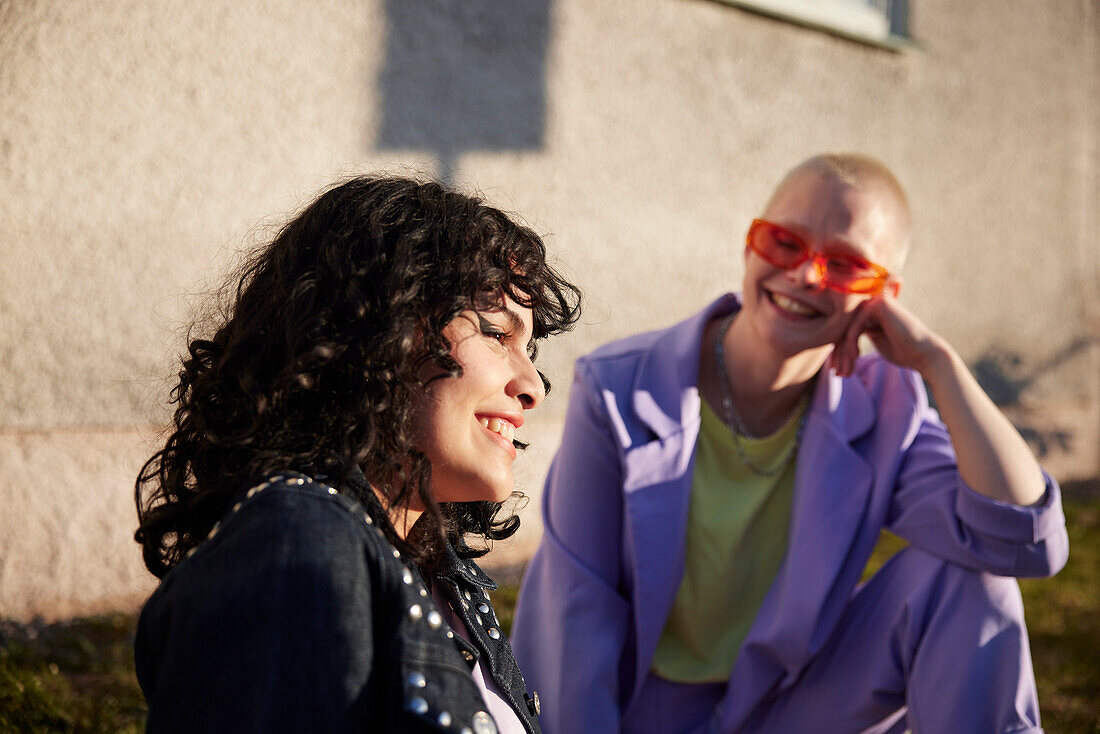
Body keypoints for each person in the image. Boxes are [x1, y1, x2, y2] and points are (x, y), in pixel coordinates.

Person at [511, 153, 1069, 734]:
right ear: (751, 244)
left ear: (884, 296)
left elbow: (1024, 543)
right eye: (785, 242)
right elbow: (575, 624)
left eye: (846, 265)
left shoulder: (883, 405)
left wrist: (939, 364)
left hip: (788, 705)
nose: (806, 275)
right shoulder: (618, 391)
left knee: (971, 579)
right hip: (645, 713)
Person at [133, 176, 581, 733]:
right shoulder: (299, 548)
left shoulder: (434, 572)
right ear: (378, 331)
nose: (533, 384)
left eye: (529, 349)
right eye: (495, 334)